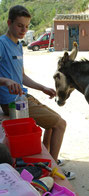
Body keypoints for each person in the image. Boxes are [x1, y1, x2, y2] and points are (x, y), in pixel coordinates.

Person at [0, 5, 75, 179]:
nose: (24, 30)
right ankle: (53, 171)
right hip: (11, 102)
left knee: (52, 125)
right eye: (20, 25)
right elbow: (9, 79)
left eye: (26, 26)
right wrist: (5, 81)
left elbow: (22, 76)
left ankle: (47, 161)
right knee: (60, 124)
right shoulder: (2, 44)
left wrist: (42, 87)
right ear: (9, 22)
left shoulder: (18, 46)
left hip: (22, 96)